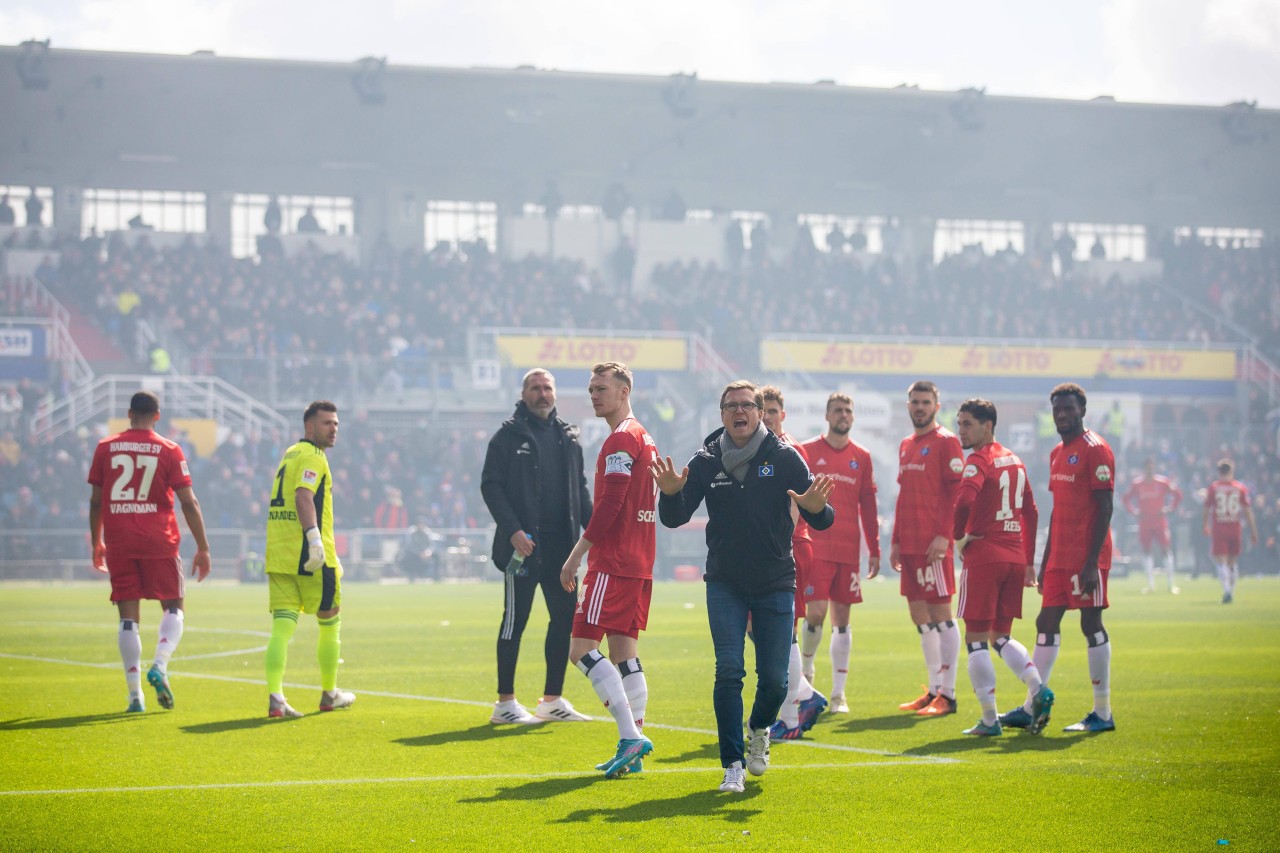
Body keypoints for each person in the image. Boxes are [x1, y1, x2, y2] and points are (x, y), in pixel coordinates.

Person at [654, 380, 834, 792]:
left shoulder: (784, 457)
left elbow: (822, 517)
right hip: (725, 582)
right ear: (722, 415)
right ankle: (732, 762)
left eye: (747, 406)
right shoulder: (705, 461)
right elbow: (675, 517)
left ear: (759, 412)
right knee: (729, 670)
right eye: (731, 406)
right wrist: (667, 495)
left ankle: (758, 728)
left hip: (774, 581)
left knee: (776, 681)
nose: (740, 412)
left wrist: (817, 509)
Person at [558, 362, 659, 777]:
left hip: (614, 562)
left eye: (602, 388)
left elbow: (610, 507)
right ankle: (632, 747)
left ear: (624, 390)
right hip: (639, 562)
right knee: (624, 654)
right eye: (590, 388)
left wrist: (576, 554)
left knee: (580, 650)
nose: (594, 395)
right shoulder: (645, 438)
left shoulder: (621, 440)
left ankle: (630, 737)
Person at [481, 368, 593, 725]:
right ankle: (505, 703)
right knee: (515, 621)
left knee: (564, 621)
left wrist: (595, 532)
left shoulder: (569, 437)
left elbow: (581, 489)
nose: (542, 394)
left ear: (555, 394)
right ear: (524, 393)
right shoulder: (507, 436)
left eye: (547, 388)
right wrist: (512, 529)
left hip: (563, 552)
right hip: (524, 549)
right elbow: (491, 487)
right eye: (535, 388)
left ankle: (552, 699)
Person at [87, 391, 211, 712]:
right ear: (158, 415)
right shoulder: (169, 450)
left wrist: (96, 541)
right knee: (174, 606)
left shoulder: (105, 447)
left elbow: (95, 501)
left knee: (128, 618)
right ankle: (160, 664)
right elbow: (189, 503)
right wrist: (203, 547)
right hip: (160, 540)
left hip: (119, 540)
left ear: (129, 414)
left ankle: (134, 697)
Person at [1004, 383, 1116, 734]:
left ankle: (1102, 712)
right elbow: (1056, 511)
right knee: (1046, 622)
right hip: (1059, 556)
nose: (1062, 415)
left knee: (1089, 624)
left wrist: (1091, 563)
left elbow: (1105, 507)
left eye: (1068, 409)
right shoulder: (1056, 453)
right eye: (1057, 410)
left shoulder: (1096, 450)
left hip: (1087, 556)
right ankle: (1032, 704)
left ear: (1082, 410)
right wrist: (1045, 555)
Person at [951, 398, 1053, 736]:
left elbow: (964, 500)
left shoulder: (978, 459)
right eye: (959, 423)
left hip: (984, 557)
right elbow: (1033, 512)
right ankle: (1038, 689)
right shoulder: (1015, 460)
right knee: (1001, 637)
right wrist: (1028, 561)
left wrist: (958, 537)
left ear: (987, 426)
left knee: (976, 641)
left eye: (967, 424)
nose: (961, 430)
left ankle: (990, 719)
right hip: (1012, 557)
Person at [263, 400, 355, 718]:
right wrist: (316, 541)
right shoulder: (313, 456)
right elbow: (304, 494)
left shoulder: (289, 454)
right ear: (309, 426)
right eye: (327, 423)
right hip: (311, 554)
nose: (333, 429)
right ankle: (329, 693)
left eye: (336, 423)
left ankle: (276, 698)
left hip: (280, 553)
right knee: (330, 620)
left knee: (282, 627)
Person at [799, 392, 880, 714]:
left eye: (847, 410)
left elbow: (869, 506)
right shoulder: (807, 451)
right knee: (816, 613)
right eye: (837, 410)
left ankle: (838, 695)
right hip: (816, 549)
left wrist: (874, 548)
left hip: (848, 550)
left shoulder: (862, 455)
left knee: (843, 621)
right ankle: (806, 676)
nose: (843, 415)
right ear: (827, 415)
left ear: (853, 417)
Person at [891, 380, 965, 718]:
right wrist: (895, 540)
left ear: (936, 405)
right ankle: (934, 688)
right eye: (914, 402)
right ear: (908, 406)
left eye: (925, 402)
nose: (919, 407)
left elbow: (957, 495)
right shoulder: (907, 444)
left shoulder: (947, 441)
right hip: (909, 544)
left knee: (940, 614)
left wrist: (944, 536)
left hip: (934, 545)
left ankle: (948, 695)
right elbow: (904, 496)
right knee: (919, 615)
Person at [759, 386, 828, 740]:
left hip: (790, 546)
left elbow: (797, 506)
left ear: (781, 415)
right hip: (774, 548)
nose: (767, 416)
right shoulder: (761, 448)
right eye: (763, 410)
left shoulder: (788, 450)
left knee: (779, 630)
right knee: (766, 629)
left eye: (772, 410)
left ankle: (796, 707)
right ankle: (796, 705)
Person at [1122, 458, 1183, 594]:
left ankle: (1171, 584)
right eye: (1148, 467)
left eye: (1152, 467)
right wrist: (1134, 511)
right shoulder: (1137, 484)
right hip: (1144, 522)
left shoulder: (1162, 482)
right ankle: (1150, 585)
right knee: (1146, 551)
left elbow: (1178, 495)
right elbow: (1126, 499)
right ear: (1144, 469)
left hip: (1159, 522)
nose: (1150, 470)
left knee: (1165, 550)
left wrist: (1169, 508)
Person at [1202, 459, 1258, 604]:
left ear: (1219, 472)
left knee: (1221, 561)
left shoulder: (1214, 487)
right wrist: (1253, 531)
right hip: (1235, 527)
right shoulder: (1240, 487)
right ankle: (1231, 592)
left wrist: (1205, 525)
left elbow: (1206, 508)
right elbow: (1247, 511)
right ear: (1231, 471)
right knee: (1232, 563)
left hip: (1220, 527)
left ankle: (1227, 591)